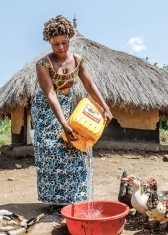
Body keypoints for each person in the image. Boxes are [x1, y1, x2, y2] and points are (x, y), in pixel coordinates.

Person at [32, 15, 113, 212]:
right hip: (46, 111)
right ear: (49, 42)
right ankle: (54, 200)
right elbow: (50, 94)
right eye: (55, 44)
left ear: (70, 39)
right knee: (51, 152)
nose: (60, 47)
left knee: (73, 148)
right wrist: (63, 124)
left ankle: (74, 197)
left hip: (67, 107)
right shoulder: (43, 64)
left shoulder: (77, 60)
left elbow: (89, 84)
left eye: (64, 43)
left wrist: (105, 108)